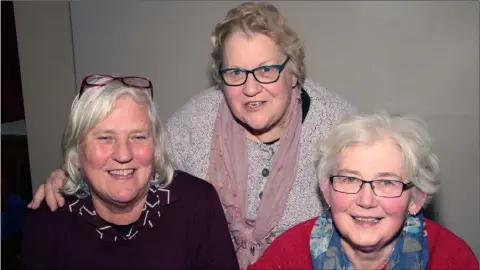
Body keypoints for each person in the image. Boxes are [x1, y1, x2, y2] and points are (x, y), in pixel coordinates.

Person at [27, 2, 354, 267]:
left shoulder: (338, 127)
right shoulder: (195, 121)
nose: (251, 88)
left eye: (266, 70)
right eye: (235, 72)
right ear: (221, 77)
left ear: (293, 71)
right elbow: (134, 160)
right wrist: (70, 174)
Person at [20, 75, 239, 270]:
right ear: (77, 151)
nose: (123, 154)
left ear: (156, 145)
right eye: (105, 138)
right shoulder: (49, 219)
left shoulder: (197, 205)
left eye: (138, 136)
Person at [249, 112, 479, 270]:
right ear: (327, 190)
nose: (366, 200)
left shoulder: (451, 258)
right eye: (350, 179)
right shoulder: (288, 254)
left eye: (387, 182)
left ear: (416, 198)